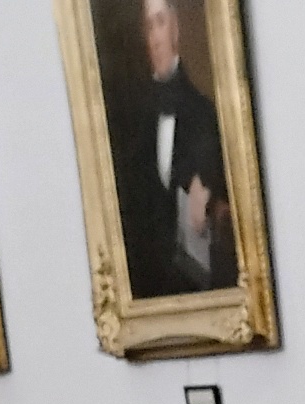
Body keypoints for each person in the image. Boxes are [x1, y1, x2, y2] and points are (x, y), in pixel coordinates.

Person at [114, 0, 232, 296]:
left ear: (176, 29)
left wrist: (206, 193)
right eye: (148, 27)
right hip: (149, 285)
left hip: (197, 284)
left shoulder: (204, 113)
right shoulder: (135, 121)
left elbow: (221, 188)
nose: (155, 38)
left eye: (161, 23)